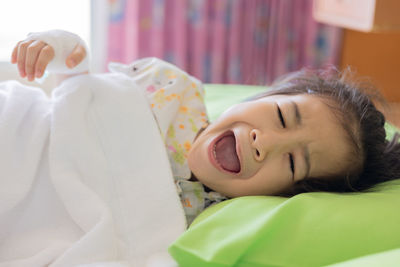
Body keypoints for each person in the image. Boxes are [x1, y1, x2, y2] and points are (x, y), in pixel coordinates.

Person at [11, 30, 400, 223]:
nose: (264, 143)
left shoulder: (207, 214)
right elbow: (77, 95)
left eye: (294, 162)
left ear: (286, 194)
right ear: (262, 97)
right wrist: (59, 49)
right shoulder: (171, 89)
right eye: (281, 117)